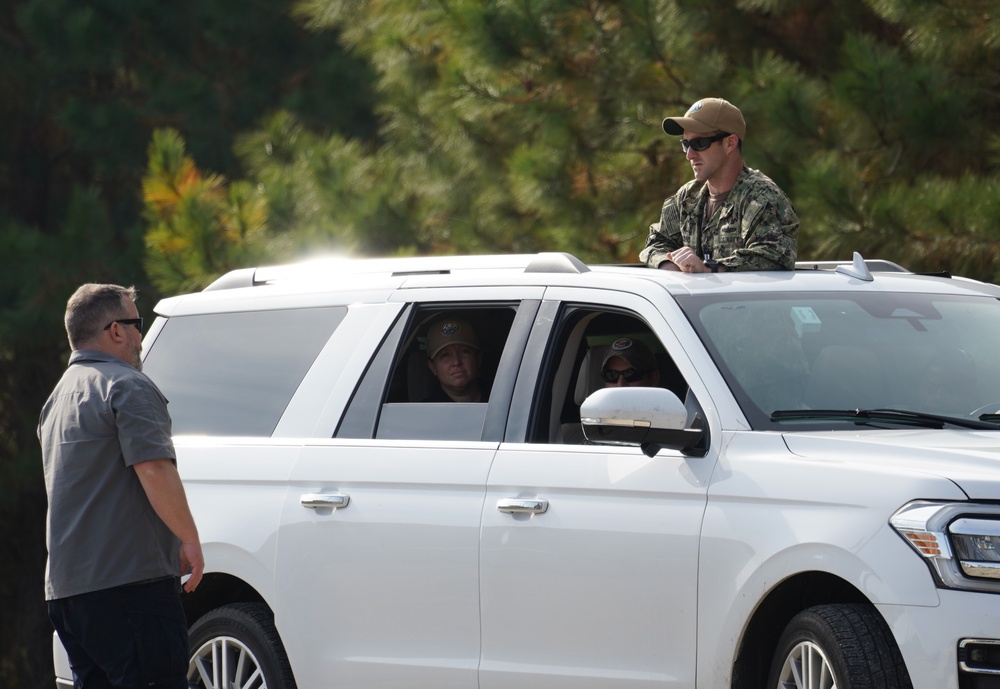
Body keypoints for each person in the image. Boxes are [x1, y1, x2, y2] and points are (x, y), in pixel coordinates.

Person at [38, 283, 204, 689]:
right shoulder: (126, 385)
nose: (141, 337)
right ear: (116, 330)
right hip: (130, 586)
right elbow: (153, 468)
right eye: (137, 324)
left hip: (68, 592)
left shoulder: (57, 398)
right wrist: (189, 540)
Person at [639, 97, 799, 273]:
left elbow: (774, 257)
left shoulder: (763, 198)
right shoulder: (687, 197)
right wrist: (672, 265)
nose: (690, 155)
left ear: (730, 143)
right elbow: (655, 244)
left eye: (699, 143)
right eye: (686, 144)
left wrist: (710, 270)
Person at [562, 337, 661, 443]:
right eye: (611, 375)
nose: (621, 385)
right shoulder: (575, 438)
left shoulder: (671, 429)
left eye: (631, 374)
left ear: (653, 378)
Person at [424, 318, 491, 402]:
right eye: (445, 355)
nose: (456, 362)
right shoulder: (424, 412)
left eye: (464, 351)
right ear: (433, 367)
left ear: (478, 358)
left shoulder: (505, 397)